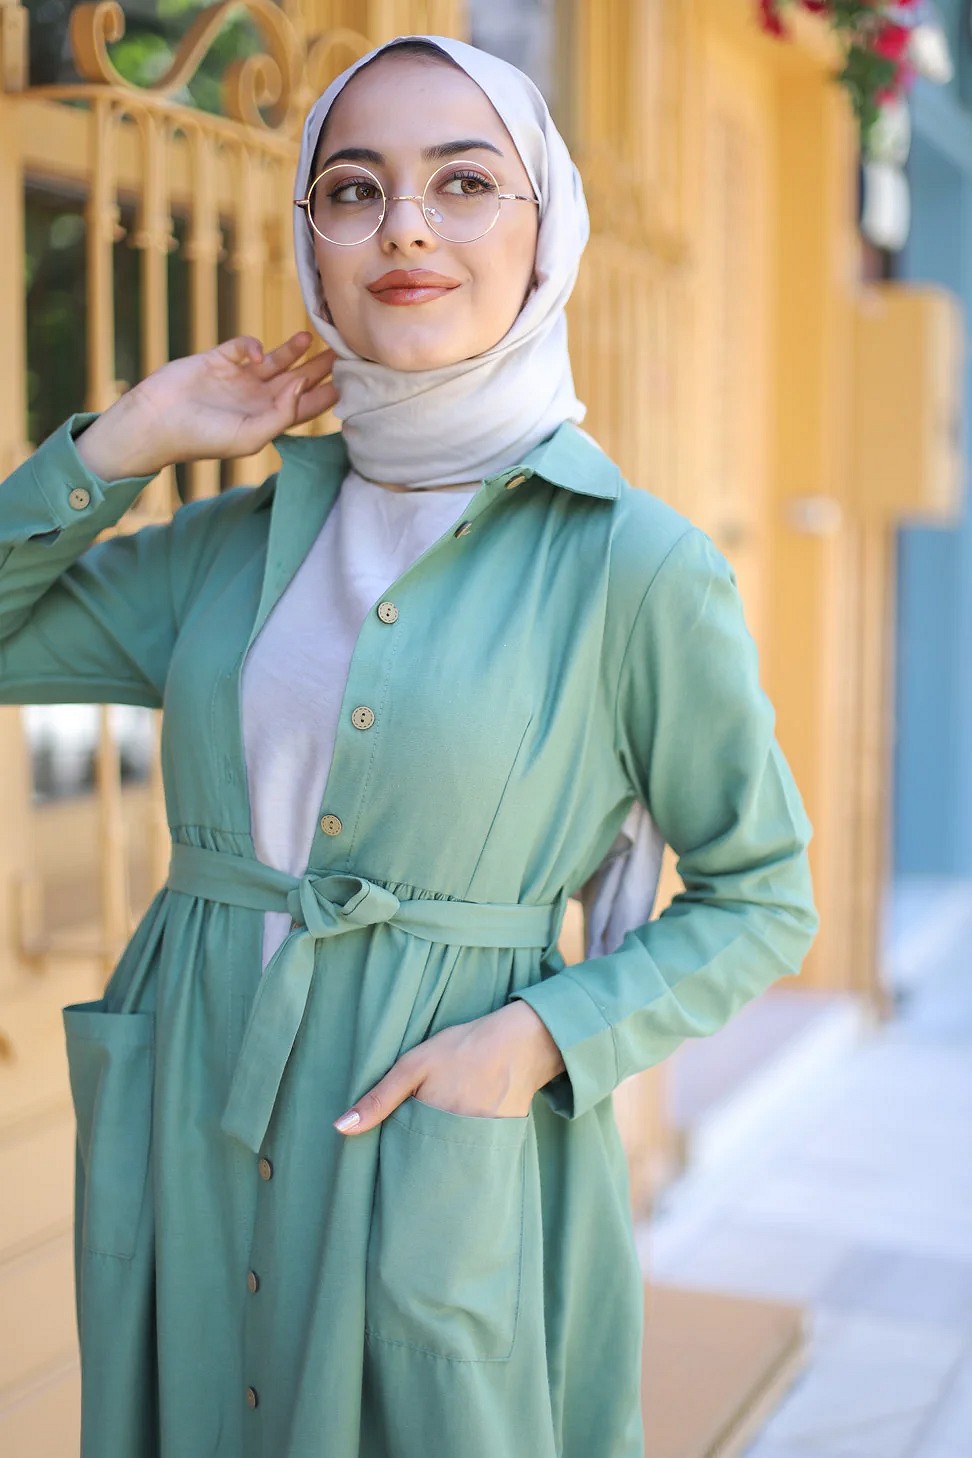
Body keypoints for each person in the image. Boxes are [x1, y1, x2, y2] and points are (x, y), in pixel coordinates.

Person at [0, 33, 818, 1458]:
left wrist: (537, 1041)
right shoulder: (227, 545)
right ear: (311, 240)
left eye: (465, 182)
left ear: (547, 228)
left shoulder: (631, 565)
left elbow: (764, 895)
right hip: (195, 1107)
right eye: (354, 189)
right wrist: (131, 438)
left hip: (442, 1135)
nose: (408, 227)